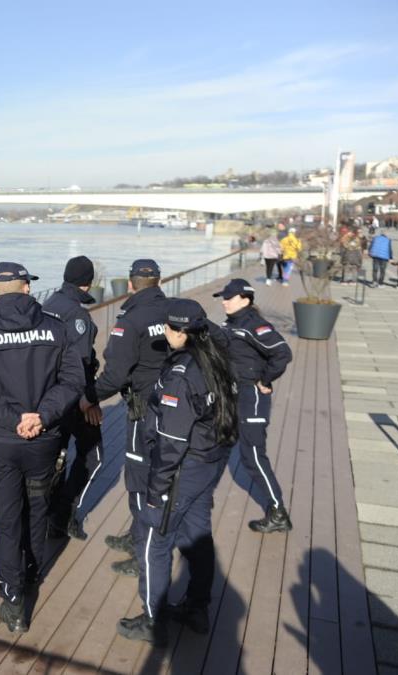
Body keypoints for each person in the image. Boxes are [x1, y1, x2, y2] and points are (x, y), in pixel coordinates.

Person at [0, 261, 84, 633]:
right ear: (26, 288)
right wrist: (41, 416)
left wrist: (14, 419)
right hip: (44, 439)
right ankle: (31, 573)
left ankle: (13, 600)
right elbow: (73, 380)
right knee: (38, 509)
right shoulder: (55, 327)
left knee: (8, 519)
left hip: (2, 442)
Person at [116, 299, 238, 645]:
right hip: (210, 460)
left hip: (183, 467)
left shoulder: (182, 376)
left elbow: (171, 443)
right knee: (197, 535)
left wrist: (155, 493)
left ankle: (153, 621)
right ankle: (197, 607)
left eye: (169, 328)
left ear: (182, 333)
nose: (165, 332)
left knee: (154, 542)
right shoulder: (217, 358)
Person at [92, 259, 169, 578]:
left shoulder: (131, 320)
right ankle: (138, 533)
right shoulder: (173, 310)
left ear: (130, 283)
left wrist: (87, 398)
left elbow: (115, 375)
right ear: (159, 281)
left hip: (142, 409)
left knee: (139, 479)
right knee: (160, 474)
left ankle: (143, 551)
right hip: (172, 406)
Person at [215, 279, 294, 532]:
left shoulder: (254, 325)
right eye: (223, 298)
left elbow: (282, 353)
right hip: (233, 396)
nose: (224, 302)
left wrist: (265, 379)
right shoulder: (230, 324)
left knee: (253, 457)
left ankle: (278, 512)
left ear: (245, 299)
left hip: (253, 398)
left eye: (229, 298)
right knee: (219, 444)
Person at [43, 256, 104, 540]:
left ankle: (47, 512)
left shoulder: (48, 304)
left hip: (48, 396)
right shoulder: (78, 316)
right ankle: (63, 513)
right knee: (94, 455)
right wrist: (90, 400)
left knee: (57, 454)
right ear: (88, 283)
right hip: (73, 398)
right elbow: (80, 363)